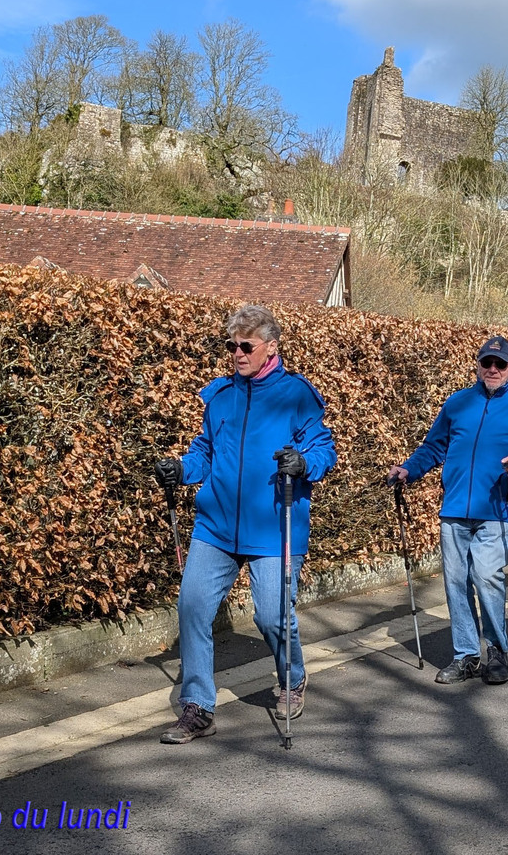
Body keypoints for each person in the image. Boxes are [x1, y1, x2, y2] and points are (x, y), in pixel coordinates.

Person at [153, 305, 338, 744]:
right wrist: (181, 469)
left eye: (246, 346)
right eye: (231, 345)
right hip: (215, 526)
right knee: (192, 607)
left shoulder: (296, 394)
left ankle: (292, 677)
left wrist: (303, 462)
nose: (237, 353)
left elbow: (324, 450)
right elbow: (204, 452)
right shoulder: (220, 396)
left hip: (274, 527)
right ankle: (198, 707)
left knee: (272, 617)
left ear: (270, 347)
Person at [389, 336, 508, 686]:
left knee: (487, 577)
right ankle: (466, 656)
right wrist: (408, 469)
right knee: (455, 582)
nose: (493, 369)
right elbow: (434, 447)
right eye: (486, 362)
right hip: (454, 508)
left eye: (500, 364)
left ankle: (496, 650)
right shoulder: (458, 402)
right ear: (478, 365)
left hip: (496, 508)